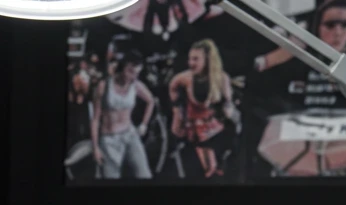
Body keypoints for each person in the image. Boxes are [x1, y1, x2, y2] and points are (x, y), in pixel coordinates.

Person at [170, 39, 238, 178]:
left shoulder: (222, 79)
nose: (191, 63)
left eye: (195, 59)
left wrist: (229, 112)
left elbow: (229, 107)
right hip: (194, 133)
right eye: (190, 59)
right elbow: (173, 87)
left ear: (207, 59)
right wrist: (177, 112)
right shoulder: (183, 79)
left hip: (216, 132)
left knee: (218, 171)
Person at [93, 49, 157, 179]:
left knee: (144, 174)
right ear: (122, 67)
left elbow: (151, 101)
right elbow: (95, 119)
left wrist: (144, 124)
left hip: (130, 134)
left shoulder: (136, 85)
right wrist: (96, 147)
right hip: (109, 139)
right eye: (130, 71)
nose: (133, 76)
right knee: (111, 178)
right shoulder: (104, 86)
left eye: (137, 73)